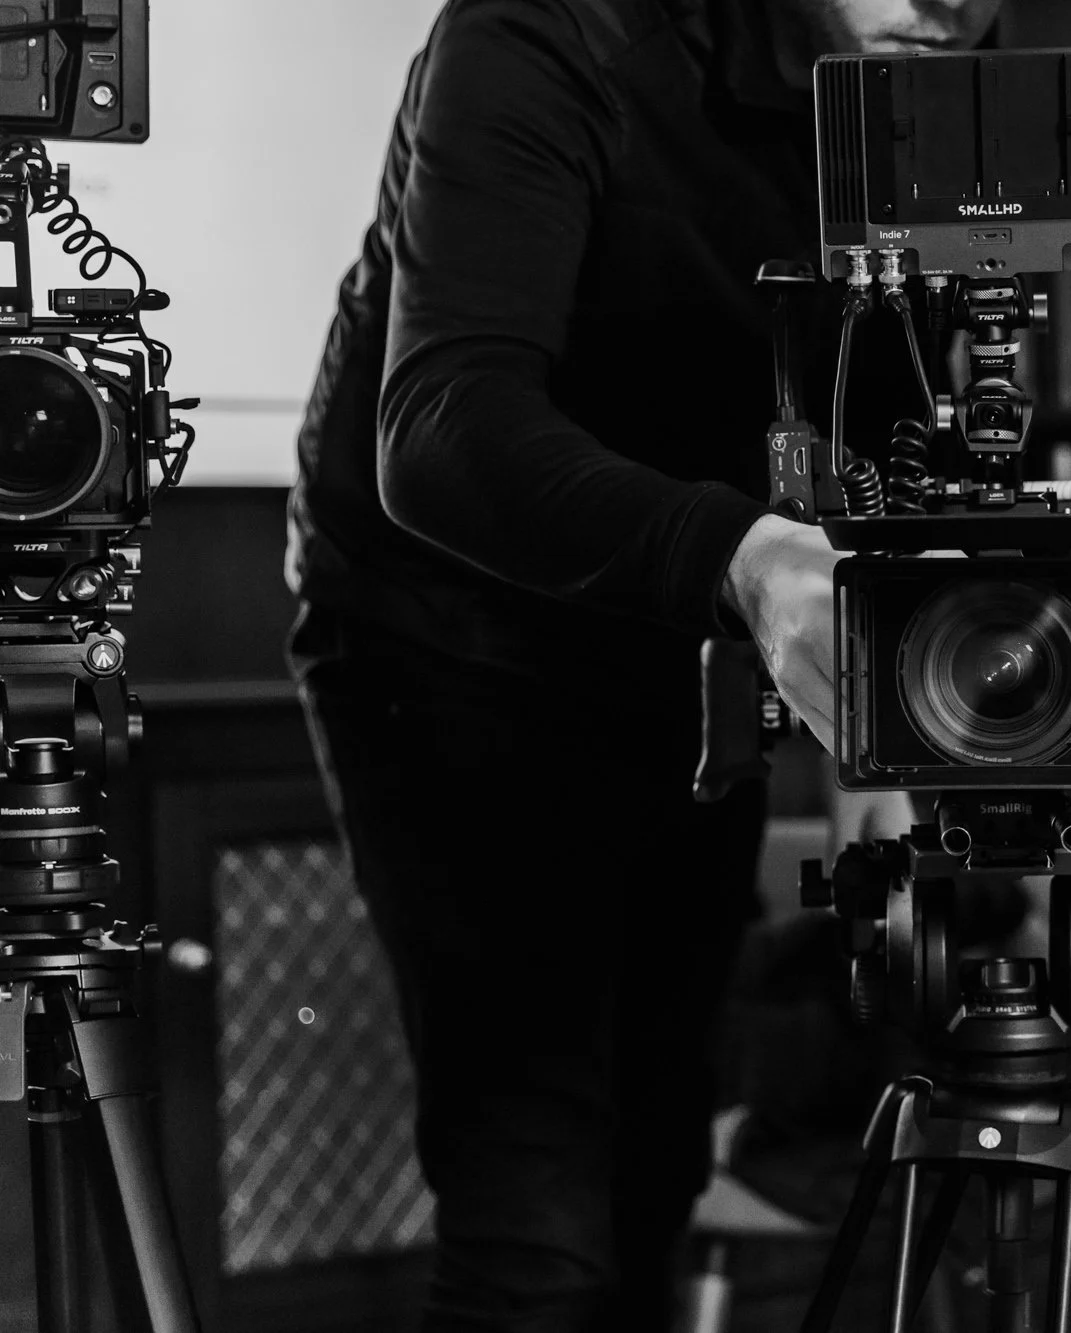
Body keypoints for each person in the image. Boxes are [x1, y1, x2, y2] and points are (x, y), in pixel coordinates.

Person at [284, 1, 1000, 1328]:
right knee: (538, 1219)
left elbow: (898, 412)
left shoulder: (931, 70)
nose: (958, 1)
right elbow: (442, 428)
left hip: (687, 634)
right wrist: (744, 558)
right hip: (449, 632)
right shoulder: (547, 29)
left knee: (656, 1169)